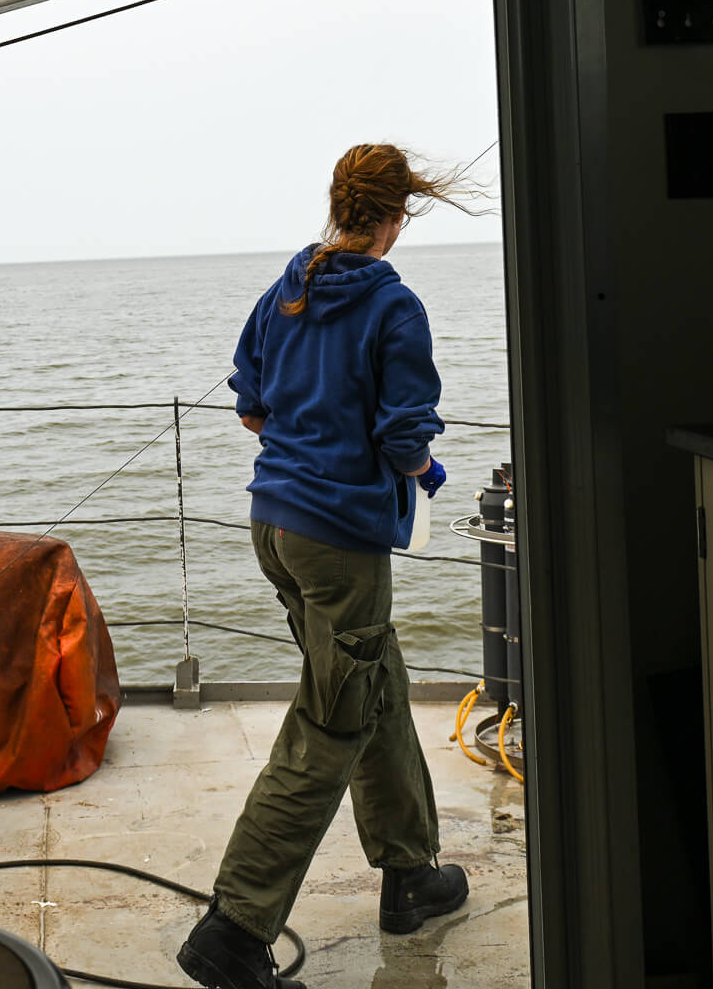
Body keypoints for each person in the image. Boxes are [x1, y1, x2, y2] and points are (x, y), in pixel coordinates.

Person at [178, 142, 472, 989]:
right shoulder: (394, 304)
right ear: (395, 215)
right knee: (331, 720)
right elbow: (403, 436)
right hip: (340, 539)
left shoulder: (289, 289)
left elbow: (251, 407)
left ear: (340, 207)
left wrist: (306, 448)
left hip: (271, 524)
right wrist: (424, 471)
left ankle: (410, 874)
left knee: (370, 676)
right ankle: (234, 929)